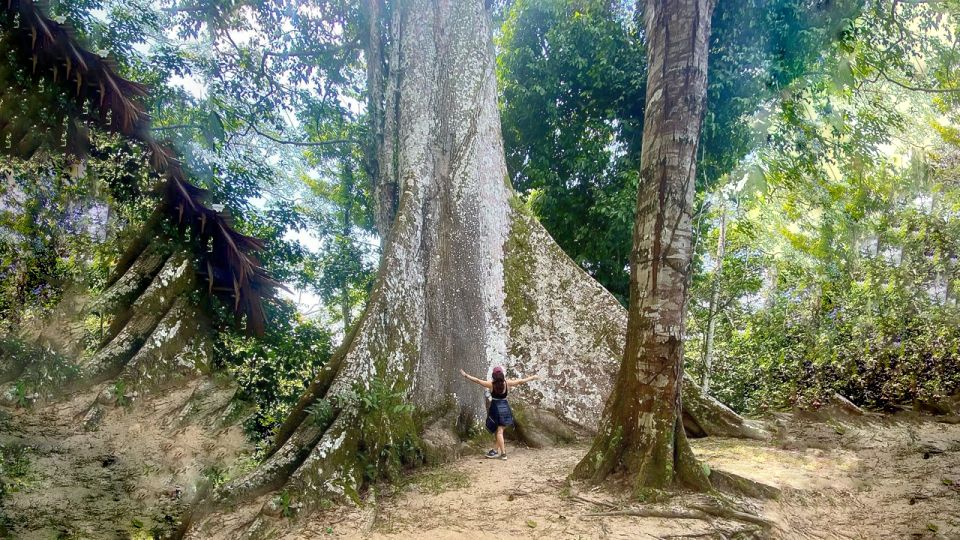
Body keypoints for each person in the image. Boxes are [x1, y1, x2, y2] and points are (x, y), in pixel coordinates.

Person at [460, 366, 539, 460]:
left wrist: (466, 375)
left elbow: (477, 380)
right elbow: (520, 381)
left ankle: (503, 454)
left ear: (493, 375)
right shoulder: (507, 383)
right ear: (502, 375)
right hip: (505, 407)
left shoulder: (491, 384)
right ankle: (495, 450)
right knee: (500, 430)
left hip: (496, 408)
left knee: (499, 432)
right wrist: (532, 377)